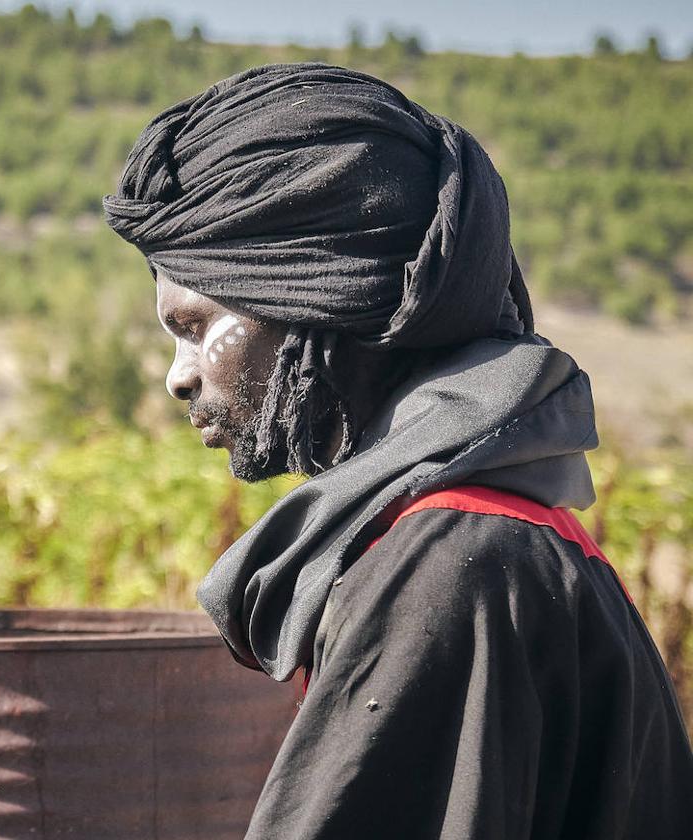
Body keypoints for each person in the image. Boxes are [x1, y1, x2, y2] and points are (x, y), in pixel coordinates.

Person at [104, 64, 693, 839]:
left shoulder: (445, 564)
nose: (179, 378)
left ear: (315, 294)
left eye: (194, 326)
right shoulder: (495, 529)